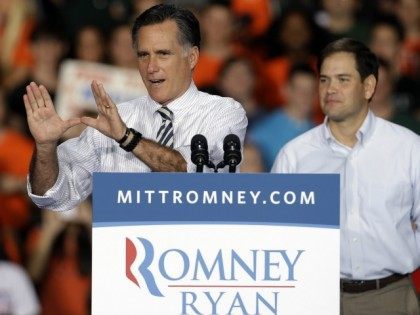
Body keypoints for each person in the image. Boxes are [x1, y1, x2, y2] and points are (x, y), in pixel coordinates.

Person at [23, 4, 247, 212]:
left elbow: (193, 175)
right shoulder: (116, 118)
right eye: (143, 55)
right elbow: (52, 195)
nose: (151, 67)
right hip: (124, 251)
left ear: (192, 57)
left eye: (163, 54)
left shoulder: (224, 112)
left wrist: (126, 137)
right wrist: (45, 147)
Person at [271, 38, 420, 314]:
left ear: (369, 86)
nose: (330, 89)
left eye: (342, 79)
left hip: (390, 296)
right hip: (315, 298)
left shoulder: (408, 148)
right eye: (324, 80)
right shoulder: (294, 155)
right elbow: (278, 235)